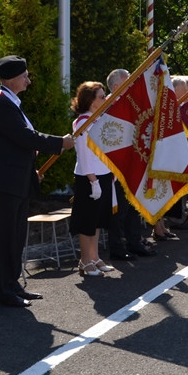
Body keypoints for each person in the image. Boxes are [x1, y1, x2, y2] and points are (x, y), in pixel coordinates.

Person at [0, 55, 74, 307]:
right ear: (11, 79)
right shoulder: (0, 103)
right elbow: (24, 137)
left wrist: (31, 174)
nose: (29, 81)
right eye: (25, 76)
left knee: (16, 237)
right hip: (4, 182)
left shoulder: (10, 102)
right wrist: (59, 143)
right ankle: (2, 291)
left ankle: (12, 285)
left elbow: (16, 145)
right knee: (3, 238)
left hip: (14, 180)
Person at [104, 68, 156, 258]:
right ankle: (117, 248)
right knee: (119, 209)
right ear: (117, 86)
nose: (133, 85)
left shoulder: (131, 103)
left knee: (134, 205)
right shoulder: (108, 106)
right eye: (129, 82)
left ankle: (134, 242)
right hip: (117, 165)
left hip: (134, 162)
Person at [70, 82, 115, 277]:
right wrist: (93, 180)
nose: (105, 99)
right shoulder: (83, 122)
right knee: (87, 220)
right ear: (90, 100)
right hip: (89, 177)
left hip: (103, 174)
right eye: (101, 96)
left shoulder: (98, 120)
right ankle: (85, 260)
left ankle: (95, 257)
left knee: (97, 221)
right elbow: (83, 154)